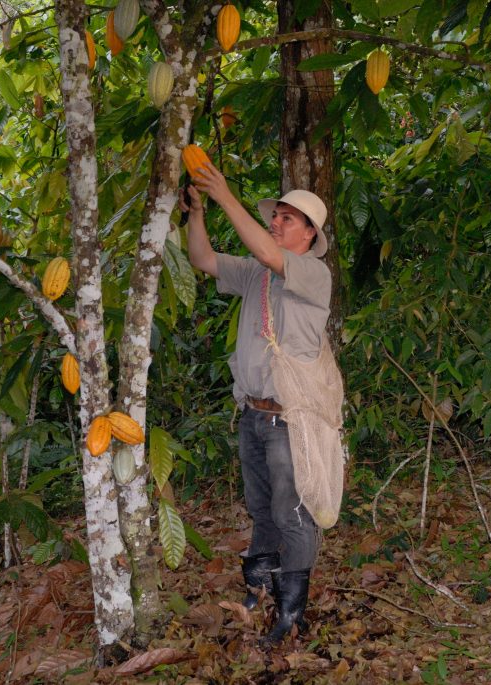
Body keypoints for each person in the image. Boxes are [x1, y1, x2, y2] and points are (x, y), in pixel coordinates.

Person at [181, 159, 332, 646]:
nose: (276, 222)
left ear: (309, 235)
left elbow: (269, 254)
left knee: (293, 512)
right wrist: (198, 212)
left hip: (290, 419)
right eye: (276, 215)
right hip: (254, 413)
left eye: (287, 219)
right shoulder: (256, 275)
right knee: (262, 509)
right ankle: (259, 588)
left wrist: (224, 194)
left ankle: (292, 611)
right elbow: (203, 260)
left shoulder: (312, 274)